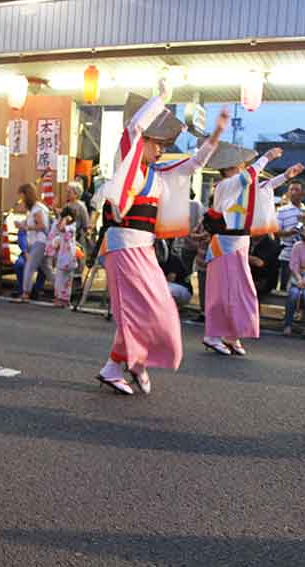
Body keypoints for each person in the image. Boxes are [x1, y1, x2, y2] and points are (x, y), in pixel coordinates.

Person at [90, 83, 227, 395]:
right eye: (159, 142)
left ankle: (119, 365)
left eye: (166, 144)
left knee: (157, 307)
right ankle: (129, 364)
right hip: (123, 247)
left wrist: (216, 136)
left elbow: (195, 164)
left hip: (144, 249)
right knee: (142, 311)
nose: (162, 148)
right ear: (145, 140)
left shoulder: (158, 173)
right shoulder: (128, 164)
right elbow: (134, 127)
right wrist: (162, 97)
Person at [201, 142, 302, 356]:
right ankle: (213, 335)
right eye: (240, 165)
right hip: (225, 246)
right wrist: (266, 157)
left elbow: (264, 187)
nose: (243, 168)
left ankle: (230, 334)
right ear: (229, 168)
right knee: (223, 294)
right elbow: (249, 178)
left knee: (240, 293)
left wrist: (285, 176)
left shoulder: (239, 185)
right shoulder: (225, 185)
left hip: (238, 244)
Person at [15, 183, 52, 303]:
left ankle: (26, 293)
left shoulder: (37, 209)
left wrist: (25, 227)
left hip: (39, 241)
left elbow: (42, 225)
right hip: (38, 242)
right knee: (47, 269)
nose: (21, 199)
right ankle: (62, 290)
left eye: (22, 196)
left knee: (30, 266)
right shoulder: (36, 208)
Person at [275, 180, 305, 293]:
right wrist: (289, 233)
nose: (293, 192)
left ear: (303, 193)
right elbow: (275, 232)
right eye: (291, 189)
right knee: (284, 286)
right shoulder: (281, 211)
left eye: (296, 189)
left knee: (301, 286)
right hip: (287, 252)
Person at [46, 207, 78, 308]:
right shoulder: (65, 224)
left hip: (68, 256)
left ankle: (63, 299)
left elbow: (61, 228)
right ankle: (61, 299)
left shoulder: (72, 226)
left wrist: (64, 219)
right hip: (63, 255)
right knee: (61, 278)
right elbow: (57, 228)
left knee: (65, 279)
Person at [157, 239, 193, 308]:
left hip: (183, 290)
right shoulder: (156, 259)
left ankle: (171, 308)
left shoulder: (172, 258)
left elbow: (170, 279)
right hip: (173, 287)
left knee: (163, 288)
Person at [249, 234, 281, 298]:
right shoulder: (248, 240)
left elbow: (259, 262)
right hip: (250, 277)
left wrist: (241, 256)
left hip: (263, 280)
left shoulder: (271, 244)